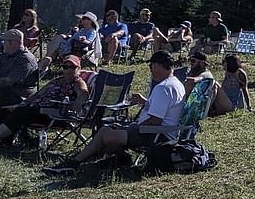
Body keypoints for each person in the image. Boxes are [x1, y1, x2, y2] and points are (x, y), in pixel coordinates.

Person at [44, 50, 186, 175]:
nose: (150, 70)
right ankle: (118, 159)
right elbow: (165, 110)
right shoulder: (176, 84)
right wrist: (145, 102)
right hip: (162, 133)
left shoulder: (164, 88)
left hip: (154, 135)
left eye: (151, 66)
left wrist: (133, 127)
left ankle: (74, 163)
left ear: (157, 65)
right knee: (111, 126)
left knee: (106, 133)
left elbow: (156, 120)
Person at [0, 54, 90, 147]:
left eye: (72, 67)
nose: (68, 70)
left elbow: (84, 94)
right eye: (65, 66)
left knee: (21, 112)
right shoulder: (57, 80)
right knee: (8, 110)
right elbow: (38, 95)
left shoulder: (77, 83)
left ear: (78, 69)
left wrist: (79, 102)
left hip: (54, 115)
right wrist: (24, 103)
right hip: (38, 110)